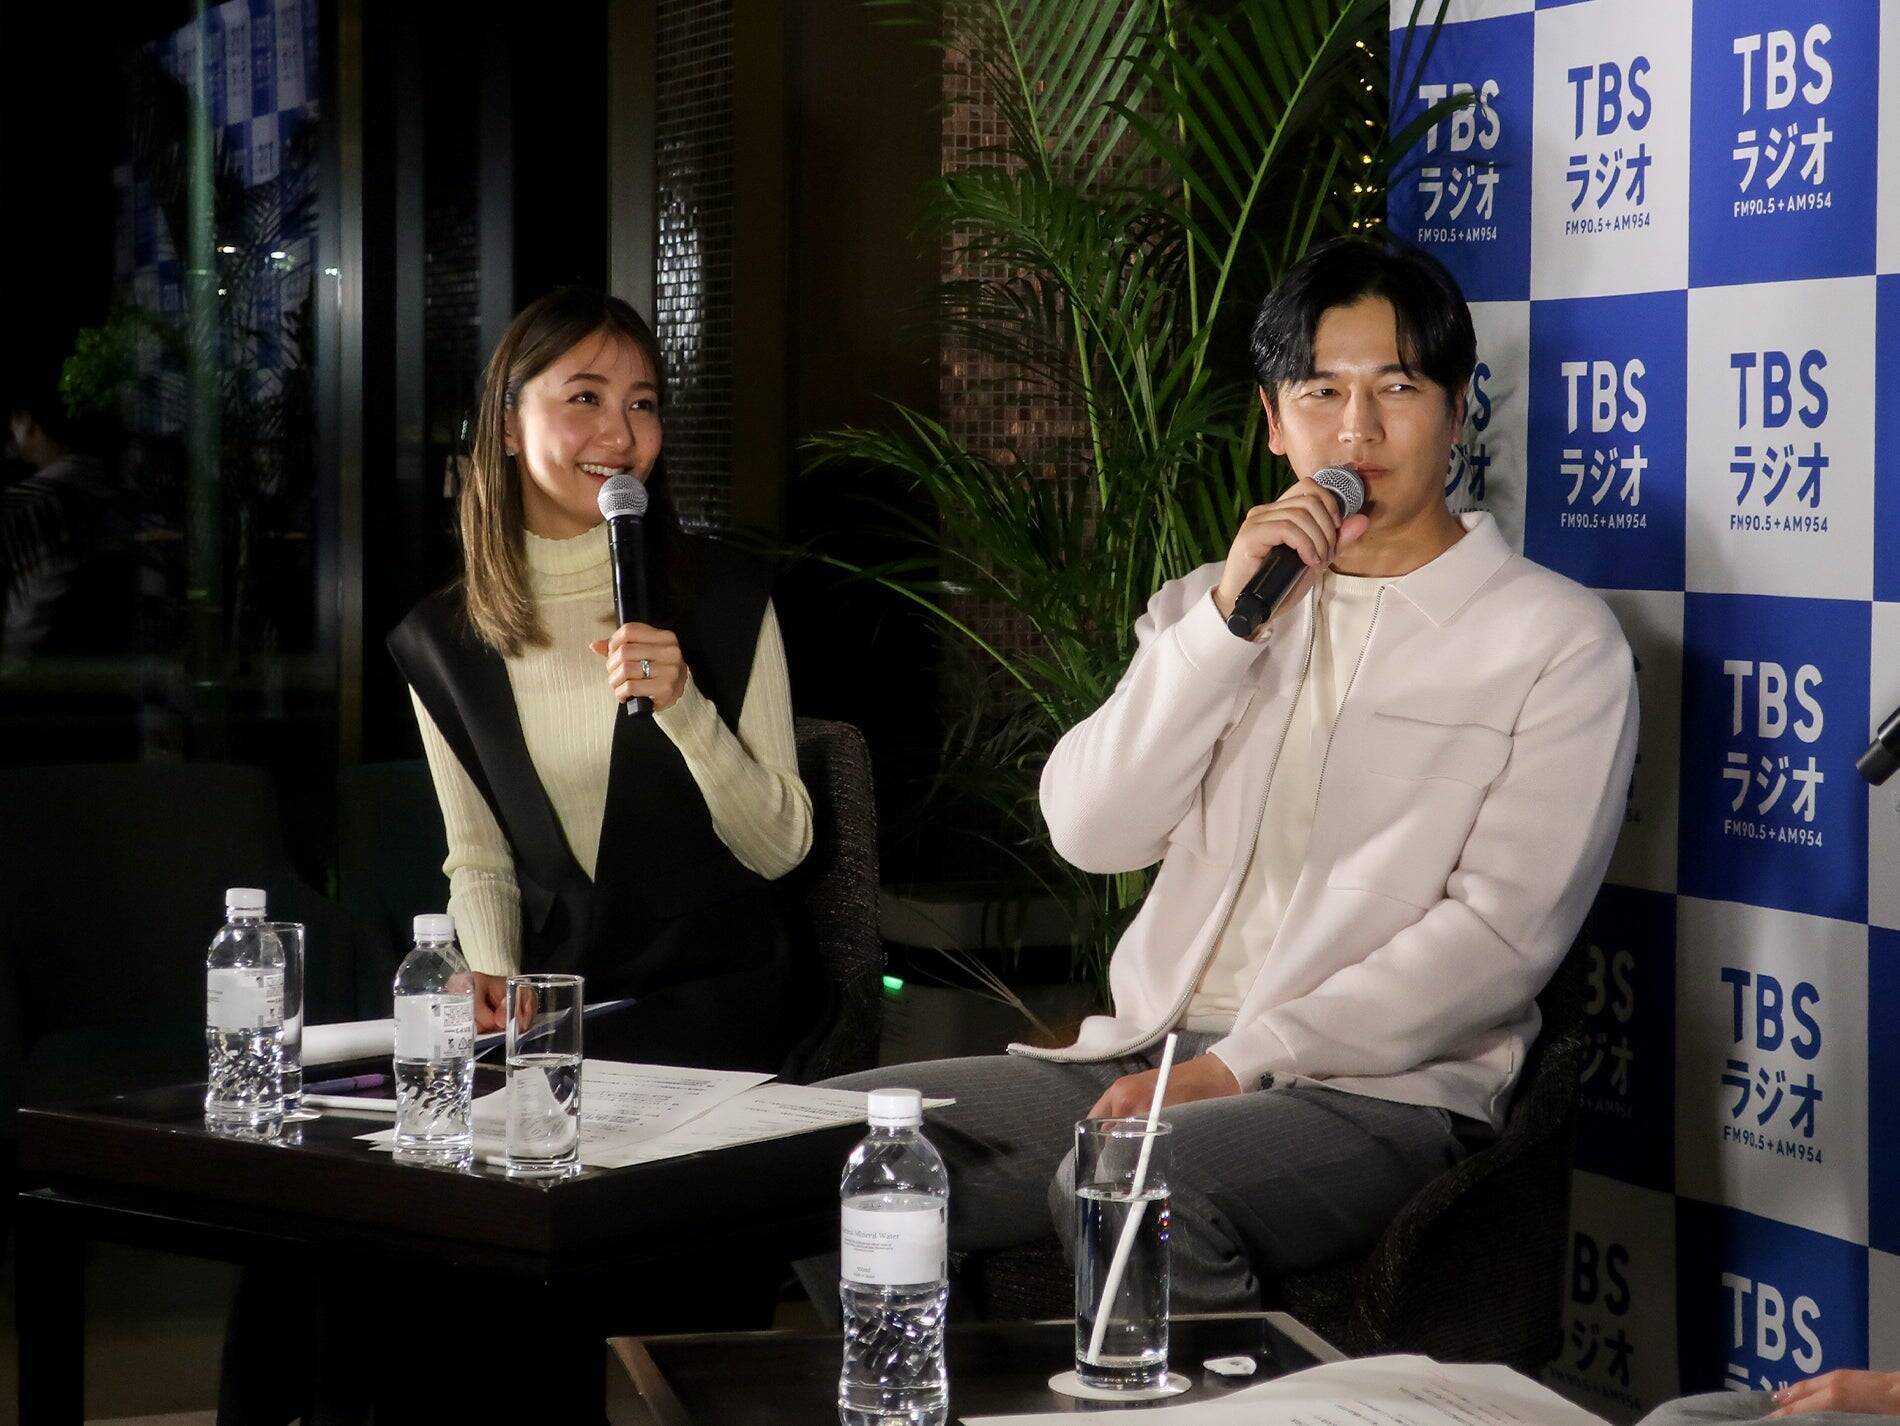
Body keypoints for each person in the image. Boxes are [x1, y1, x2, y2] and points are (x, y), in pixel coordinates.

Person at [805, 236, 1640, 1316]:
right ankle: (920, 1389)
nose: (1357, 429)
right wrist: (1221, 631)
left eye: (1396, 388)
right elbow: (1090, 830)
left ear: (1456, 409)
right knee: (818, 1145)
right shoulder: (1214, 602)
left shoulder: (1553, 637)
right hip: (1143, 1050)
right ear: (1273, 420)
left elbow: (1498, 939)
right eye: (1321, 392)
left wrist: (1243, 1064)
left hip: (1375, 1087)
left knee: (1131, 1181)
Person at [388, 288, 815, 1072]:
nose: (621, 436)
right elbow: (479, 856)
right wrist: (494, 975)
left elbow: (782, 846)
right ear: (507, 424)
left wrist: (685, 709)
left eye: (642, 404)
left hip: (719, 1006)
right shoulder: (442, 639)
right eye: (585, 398)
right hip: (557, 1012)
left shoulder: (726, 597)